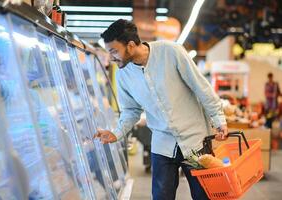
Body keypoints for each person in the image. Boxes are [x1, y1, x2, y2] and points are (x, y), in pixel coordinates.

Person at [94, 19, 228, 200]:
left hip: (195, 140)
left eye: (114, 51)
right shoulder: (123, 74)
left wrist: (219, 119)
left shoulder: (171, 52)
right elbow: (131, 111)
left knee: (204, 196)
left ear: (131, 45)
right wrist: (116, 133)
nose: (111, 57)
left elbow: (201, 87)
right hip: (162, 144)